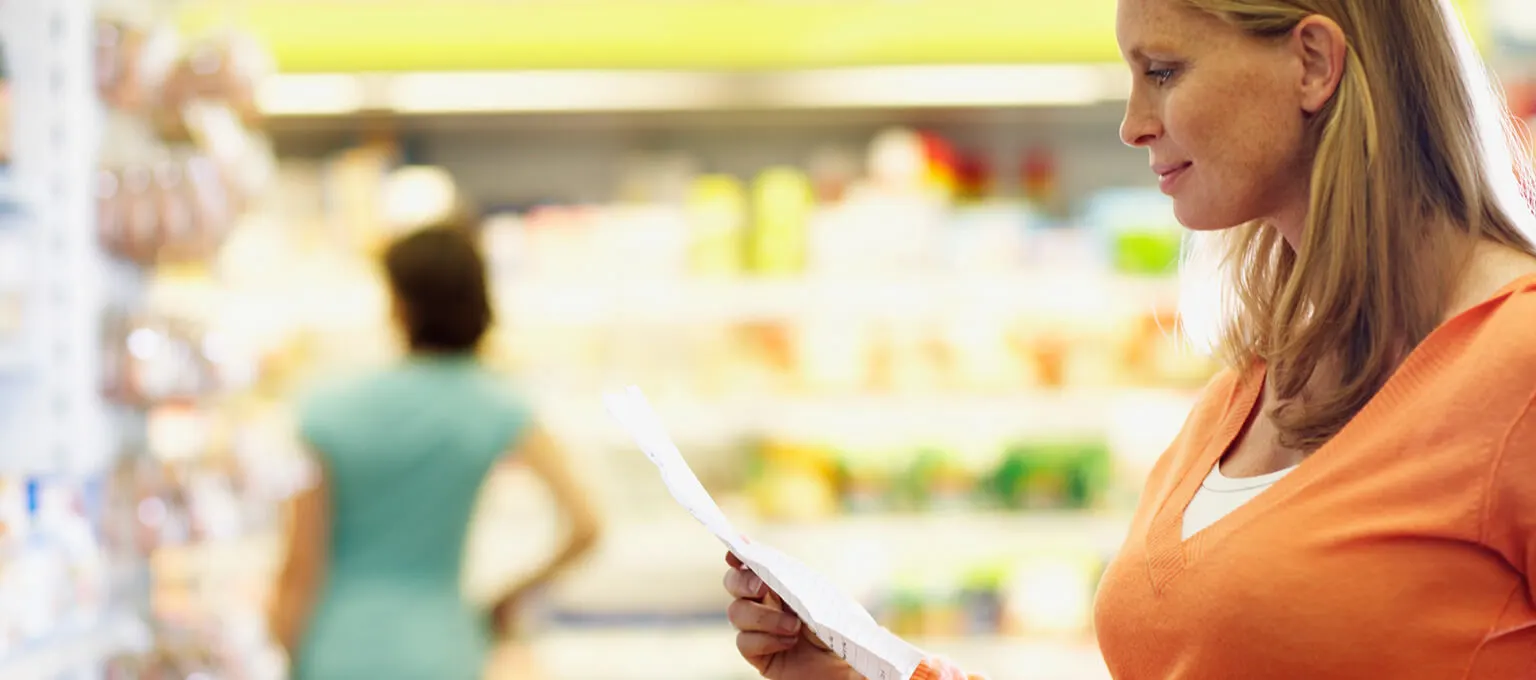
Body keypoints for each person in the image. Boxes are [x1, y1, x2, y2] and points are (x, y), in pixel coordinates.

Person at [722, 0, 1536, 678]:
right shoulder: (1248, 391)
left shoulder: (1517, 361)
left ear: (1314, 63)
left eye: (1163, 72)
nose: (1132, 124)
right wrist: (856, 667)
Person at [268, 225, 603, 680]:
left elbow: (298, 567)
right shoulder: (498, 404)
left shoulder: (325, 411)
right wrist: (508, 598)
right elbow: (586, 525)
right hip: (443, 647)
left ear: (399, 305)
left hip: (336, 647)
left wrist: (279, 650)